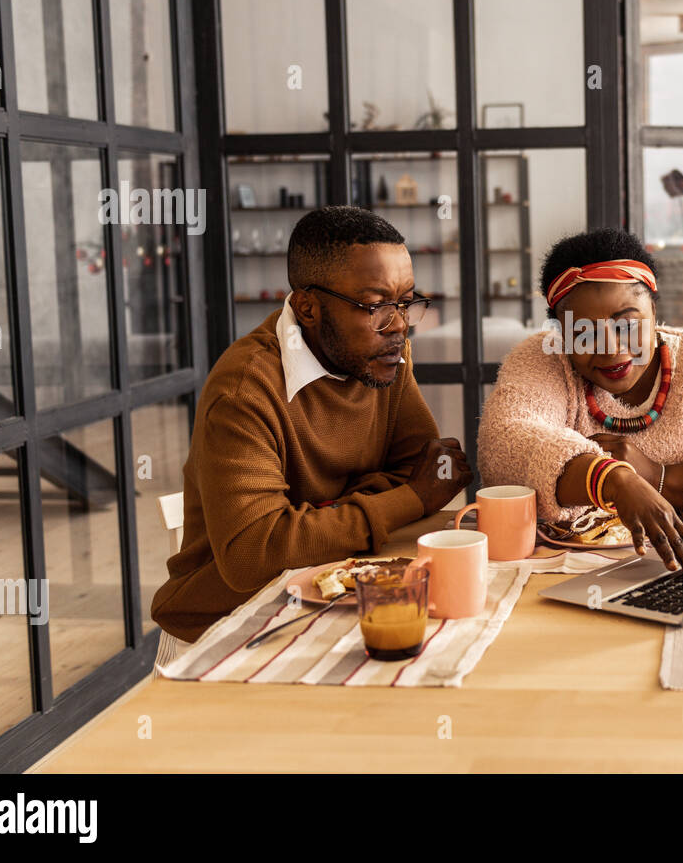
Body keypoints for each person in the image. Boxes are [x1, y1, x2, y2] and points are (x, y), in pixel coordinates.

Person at [151, 206, 470, 642]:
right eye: (375, 305)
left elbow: (431, 471)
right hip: (234, 629)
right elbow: (254, 554)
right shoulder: (245, 389)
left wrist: (313, 522)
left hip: (341, 602)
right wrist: (405, 498)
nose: (398, 325)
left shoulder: (384, 356)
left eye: (405, 301)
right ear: (309, 307)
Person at [477, 228, 683, 577]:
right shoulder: (544, 360)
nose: (610, 348)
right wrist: (614, 480)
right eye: (582, 332)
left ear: (654, 308)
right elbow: (502, 448)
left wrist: (656, 477)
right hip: (567, 580)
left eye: (627, 324)